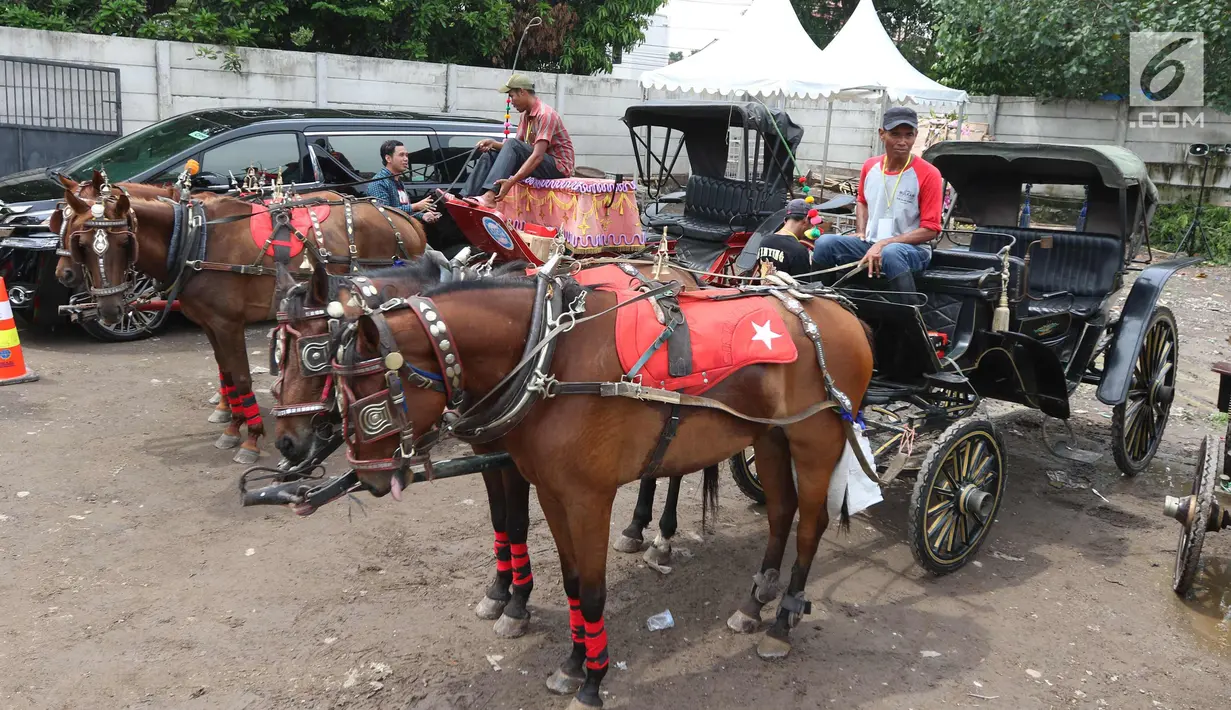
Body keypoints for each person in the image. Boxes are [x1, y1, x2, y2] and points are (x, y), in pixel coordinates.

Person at [811, 106, 942, 295]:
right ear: (882, 134)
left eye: (909, 135)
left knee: (891, 253)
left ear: (915, 135)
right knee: (824, 243)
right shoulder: (870, 166)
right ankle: (820, 302)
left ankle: (911, 320)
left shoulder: (929, 174)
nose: (903, 142)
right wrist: (861, 232)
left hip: (912, 250)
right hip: (871, 243)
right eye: (895, 134)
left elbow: (931, 229)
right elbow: (862, 201)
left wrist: (884, 243)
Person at [463, 73, 574, 207]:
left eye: (511, 96)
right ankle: (467, 196)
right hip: (540, 162)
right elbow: (514, 150)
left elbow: (537, 156)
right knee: (490, 155)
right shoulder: (525, 116)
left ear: (522, 92)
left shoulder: (545, 114)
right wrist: (493, 144)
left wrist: (511, 181)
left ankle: (490, 196)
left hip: (558, 168)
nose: (510, 101)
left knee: (512, 144)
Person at [365, 140, 440, 223]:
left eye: (406, 155)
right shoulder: (378, 183)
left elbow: (404, 213)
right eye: (401, 155)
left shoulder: (398, 181)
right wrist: (415, 206)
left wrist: (423, 216)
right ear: (388, 158)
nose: (406, 159)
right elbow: (384, 212)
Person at [756, 199, 817, 277]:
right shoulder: (798, 250)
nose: (811, 227)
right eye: (811, 224)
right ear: (805, 220)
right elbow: (803, 284)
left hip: (764, 287)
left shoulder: (764, 241)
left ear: (785, 220)